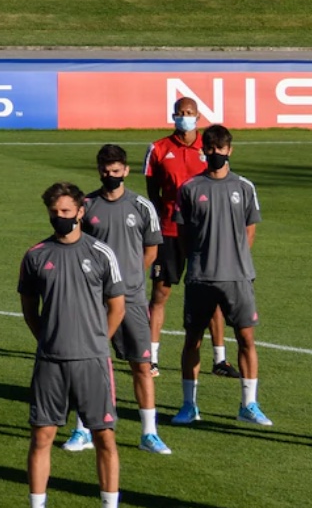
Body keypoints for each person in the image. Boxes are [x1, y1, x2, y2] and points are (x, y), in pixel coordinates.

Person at [16, 183, 136, 508]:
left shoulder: (102, 254)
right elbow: (28, 309)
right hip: (51, 360)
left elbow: (117, 307)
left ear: (81, 211)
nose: (60, 218)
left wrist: (98, 342)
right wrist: (49, 338)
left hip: (92, 361)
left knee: (105, 438)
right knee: (42, 438)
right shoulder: (35, 255)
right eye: (55, 212)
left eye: (67, 212)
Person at [171, 124, 270, 427]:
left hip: (238, 277)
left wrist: (234, 258)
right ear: (205, 151)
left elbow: (249, 231)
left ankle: (249, 404)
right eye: (210, 149)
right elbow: (183, 234)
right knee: (193, 341)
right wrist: (201, 260)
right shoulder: (190, 189)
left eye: (221, 149)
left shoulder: (244, 187)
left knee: (246, 339)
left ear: (230, 150)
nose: (216, 154)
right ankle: (189, 405)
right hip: (201, 277)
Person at [79, 144, 170, 454]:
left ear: (126, 171)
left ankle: (149, 433)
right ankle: (83, 430)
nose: (110, 175)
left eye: (116, 171)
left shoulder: (142, 206)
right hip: (94, 299)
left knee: (141, 365)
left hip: (131, 298)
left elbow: (151, 250)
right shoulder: (86, 205)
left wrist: (125, 278)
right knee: (90, 364)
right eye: (105, 170)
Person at [145, 96, 224, 376]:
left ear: (198, 116)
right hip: (169, 232)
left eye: (189, 112)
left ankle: (219, 359)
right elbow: (152, 189)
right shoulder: (158, 148)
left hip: (203, 233)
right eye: (180, 113)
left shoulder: (209, 148)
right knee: (160, 293)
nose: (184, 117)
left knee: (212, 293)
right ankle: (151, 357)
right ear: (173, 115)